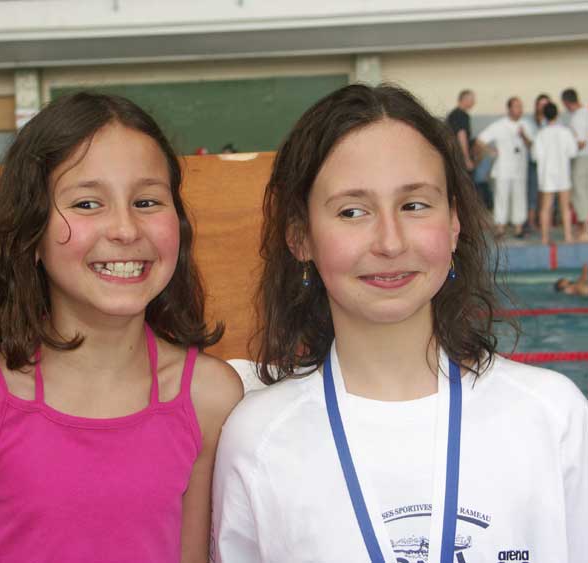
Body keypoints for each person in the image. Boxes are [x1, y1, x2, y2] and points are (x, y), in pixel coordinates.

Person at [213, 84, 587, 562]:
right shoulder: (258, 439)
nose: (390, 242)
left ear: (454, 223)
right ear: (300, 237)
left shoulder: (554, 417)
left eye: (414, 205)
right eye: (352, 211)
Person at [0, 93, 242, 563]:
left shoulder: (210, 397)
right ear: (30, 232)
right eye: (87, 203)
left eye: (147, 201)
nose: (125, 229)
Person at [477, 97, 533, 237]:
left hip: (520, 168)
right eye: (516, 106)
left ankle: (518, 227)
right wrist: (491, 151)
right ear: (509, 109)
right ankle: (500, 227)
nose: (519, 109)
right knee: (501, 197)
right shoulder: (499, 125)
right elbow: (480, 140)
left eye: (521, 107)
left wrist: (523, 135)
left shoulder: (526, 124)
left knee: (519, 197)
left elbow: (531, 145)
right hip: (503, 168)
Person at [533, 102, 578, 244]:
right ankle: (568, 236)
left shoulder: (541, 134)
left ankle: (544, 237)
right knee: (565, 207)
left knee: (546, 207)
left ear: (544, 116)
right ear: (557, 114)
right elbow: (573, 152)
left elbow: (535, 156)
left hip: (546, 174)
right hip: (563, 172)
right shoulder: (566, 132)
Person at [562, 88, 588, 241]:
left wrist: (565, 151)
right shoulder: (586, 111)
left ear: (566, 102)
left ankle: (585, 229)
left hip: (582, 157)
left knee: (579, 191)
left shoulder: (578, 117)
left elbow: (581, 143)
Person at [524, 94, 552, 232]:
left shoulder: (551, 121)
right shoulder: (528, 122)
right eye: (541, 104)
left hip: (548, 163)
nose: (543, 107)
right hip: (534, 162)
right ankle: (531, 221)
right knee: (533, 192)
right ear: (536, 106)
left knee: (547, 192)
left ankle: (546, 222)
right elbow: (530, 142)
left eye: (545, 104)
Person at [446, 89, 476, 173]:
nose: (474, 102)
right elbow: (461, 136)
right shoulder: (460, 115)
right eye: (472, 100)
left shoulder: (454, 114)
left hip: (454, 156)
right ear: (464, 99)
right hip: (459, 157)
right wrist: (466, 159)